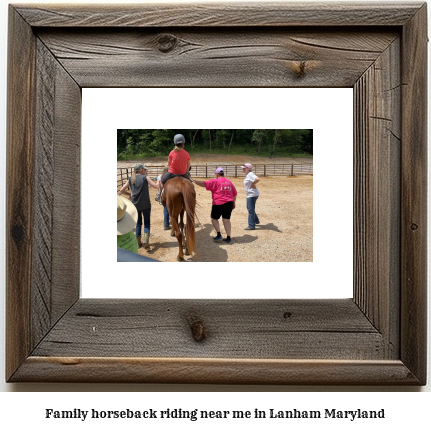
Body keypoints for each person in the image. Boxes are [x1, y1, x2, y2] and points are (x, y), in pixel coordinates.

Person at [192, 167, 237, 244]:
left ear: (216, 174)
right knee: (226, 220)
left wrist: (194, 181)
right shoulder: (229, 182)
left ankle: (219, 234)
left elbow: (203, 184)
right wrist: (233, 202)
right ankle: (228, 238)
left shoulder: (215, 181)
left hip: (219, 203)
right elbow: (235, 193)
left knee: (214, 219)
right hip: (229, 202)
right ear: (223, 174)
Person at [119, 163, 158, 249]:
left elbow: (121, 190)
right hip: (146, 204)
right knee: (147, 222)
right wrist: (159, 181)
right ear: (141, 170)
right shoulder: (145, 178)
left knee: (138, 223)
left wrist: (129, 194)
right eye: (144, 169)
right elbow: (155, 186)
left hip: (135, 205)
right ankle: (146, 241)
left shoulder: (130, 179)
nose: (145, 170)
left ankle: (138, 242)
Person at [242, 163, 261, 230]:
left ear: (248, 168)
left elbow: (258, 179)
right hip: (251, 194)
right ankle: (256, 220)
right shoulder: (248, 175)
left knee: (250, 209)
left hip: (252, 194)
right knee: (250, 208)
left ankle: (251, 226)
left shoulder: (250, 174)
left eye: (244, 168)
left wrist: (253, 184)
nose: (243, 169)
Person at [156, 166, 171, 230]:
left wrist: (159, 194)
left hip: (162, 194)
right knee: (167, 209)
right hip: (169, 193)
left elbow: (158, 187)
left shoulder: (159, 177)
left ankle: (166, 221)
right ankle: (166, 224)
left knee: (165, 208)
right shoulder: (170, 176)